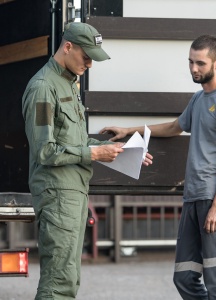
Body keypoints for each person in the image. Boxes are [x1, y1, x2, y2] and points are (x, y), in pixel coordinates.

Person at [100, 35, 216, 300]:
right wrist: (127, 130)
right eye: (190, 62)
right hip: (193, 198)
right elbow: (174, 127)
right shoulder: (199, 99)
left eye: (200, 63)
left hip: (213, 200)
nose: (193, 69)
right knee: (184, 277)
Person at [22, 22, 152, 300]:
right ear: (67, 47)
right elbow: (45, 151)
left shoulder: (66, 83)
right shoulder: (44, 88)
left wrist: (116, 150)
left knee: (68, 279)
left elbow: (75, 143)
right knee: (59, 283)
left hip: (72, 193)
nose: (90, 64)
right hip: (57, 194)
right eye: (86, 56)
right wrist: (94, 153)